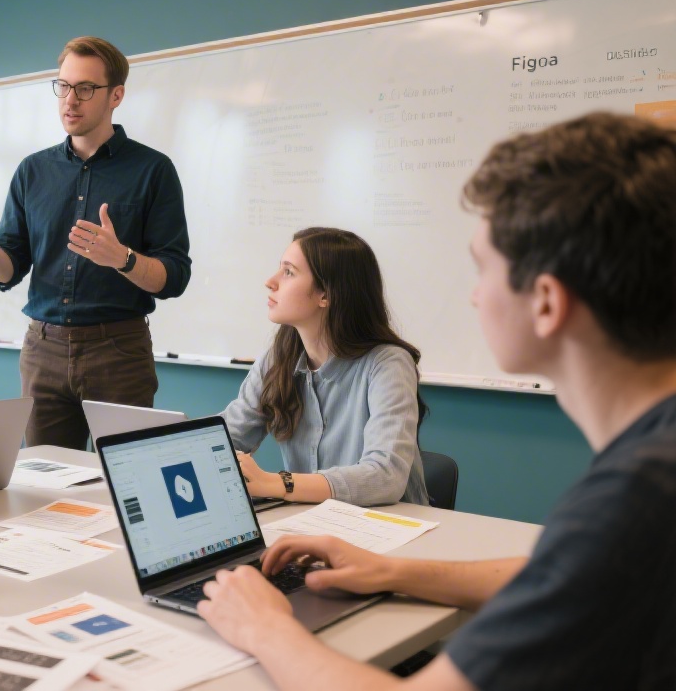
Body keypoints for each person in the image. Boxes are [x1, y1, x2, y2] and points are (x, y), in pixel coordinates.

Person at [197, 113, 676, 690]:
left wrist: (265, 627)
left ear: (546, 303)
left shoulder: (634, 503)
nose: (474, 295)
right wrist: (391, 570)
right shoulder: (648, 467)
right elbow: (561, 575)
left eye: (484, 269)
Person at [0, 36, 192, 450]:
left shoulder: (154, 170)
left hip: (119, 350)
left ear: (116, 95)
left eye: (85, 89)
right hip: (43, 349)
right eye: (63, 86)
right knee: (43, 485)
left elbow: (175, 277)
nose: (69, 100)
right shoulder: (32, 171)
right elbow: (10, 271)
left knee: (129, 479)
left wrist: (124, 259)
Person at [221, 227, 429, 507]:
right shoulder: (277, 359)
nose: (270, 282)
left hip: (392, 530)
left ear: (325, 295)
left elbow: (385, 476)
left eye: (289, 272)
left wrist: (278, 483)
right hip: (311, 525)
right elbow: (225, 439)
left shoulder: (388, 364)